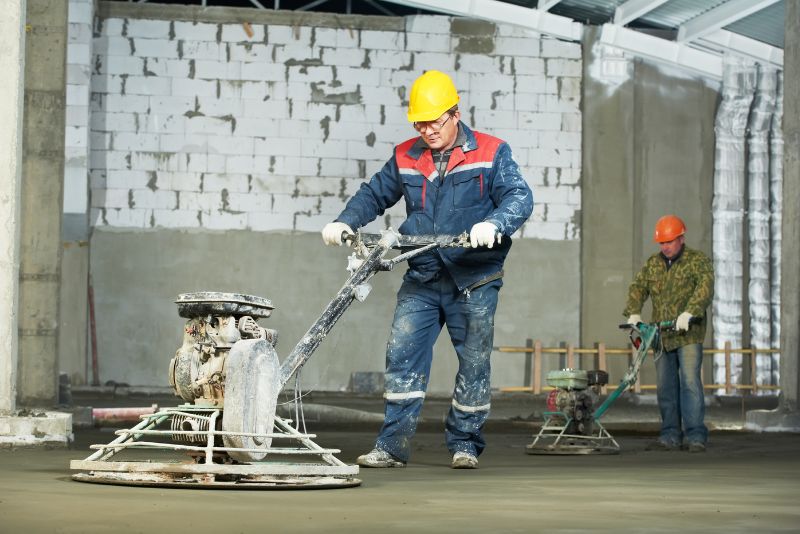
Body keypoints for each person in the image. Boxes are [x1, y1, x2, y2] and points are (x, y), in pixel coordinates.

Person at [321, 70, 533, 469]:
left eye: (435, 121)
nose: (427, 129)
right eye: (420, 122)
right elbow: (375, 193)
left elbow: (519, 197)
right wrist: (346, 220)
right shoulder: (406, 154)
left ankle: (465, 443)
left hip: (474, 277)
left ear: (455, 113)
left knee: (473, 360)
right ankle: (392, 446)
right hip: (423, 274)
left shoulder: (491, 151)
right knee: (401, 353)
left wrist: (495, 224)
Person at [623, 215, 714, 452]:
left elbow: (705, 289)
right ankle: (670, 434)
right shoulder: (653, 263)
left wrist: (690, 312)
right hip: (661, 336)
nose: (665, 246)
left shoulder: (697, 261)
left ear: (681, 239)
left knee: (690, 383)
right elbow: (638, 287)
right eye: (662, 243)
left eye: (670, 242)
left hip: (688, 335)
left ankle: (695, 436)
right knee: (665, 387)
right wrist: (633, 313)